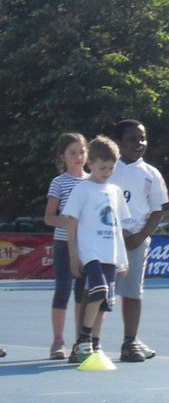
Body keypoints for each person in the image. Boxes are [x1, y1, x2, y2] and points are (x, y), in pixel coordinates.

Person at [109, 119, 169, 362]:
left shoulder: (151, 174)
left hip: (135, 241)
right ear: (119, 143)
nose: (139, 143)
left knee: (133, 293)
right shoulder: (107, 169)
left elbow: (158, 210)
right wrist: (115, 232)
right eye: (132, 139)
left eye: (142, 138)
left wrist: (138, 237)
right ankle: (88, 341)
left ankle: (130, 341)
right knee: (96, 291)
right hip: (106, 240)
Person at [65, 135, 129, 364]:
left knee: (105, 302)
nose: (107, 172)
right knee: (98, 290)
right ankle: (83, 338)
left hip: (109, 254)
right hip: (89, 251)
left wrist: (123, 259)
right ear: (90, 163)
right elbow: (71, 223)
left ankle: (94, 342)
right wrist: (74, 256)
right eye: (102, 167)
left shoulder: (115, 191)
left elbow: (118, 226)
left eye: (111, 168)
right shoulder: (82, 190)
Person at [43, 132, 89, 359]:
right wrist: (71, 222)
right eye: (73, 152)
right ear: (63, 156)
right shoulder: (59, 182)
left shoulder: (94, 181)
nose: (78, 156)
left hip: (87, 246)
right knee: (63, 289)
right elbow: (49, 218)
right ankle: (57, 341)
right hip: (63, 244)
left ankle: (80, 340)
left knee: (84, 292)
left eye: (81, 151)